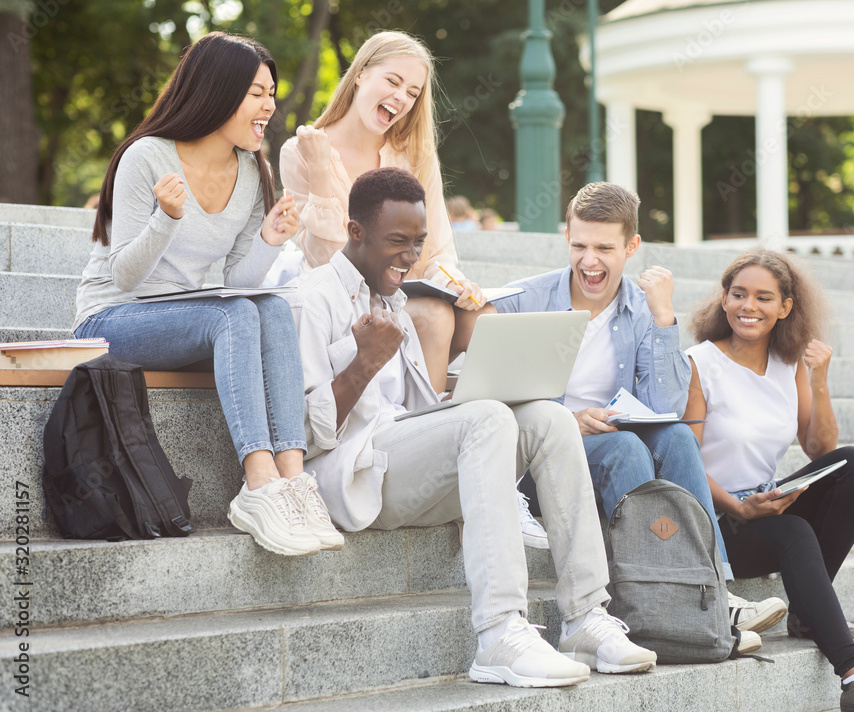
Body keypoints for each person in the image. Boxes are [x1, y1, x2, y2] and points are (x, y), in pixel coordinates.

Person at [285, 166, 657, 688]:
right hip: (352, 477)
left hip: (404, 459)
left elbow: (413, 410)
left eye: (418, 242)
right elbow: (298, 436)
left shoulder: (391, 299)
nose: (410, 257)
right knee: (485, 419)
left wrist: (463, 392)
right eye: (397, 241)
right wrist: (363, 364)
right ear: (355, 232)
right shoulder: (312, 299)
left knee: (548, 418)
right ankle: (500, 631)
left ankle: (584, 617)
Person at [74, 32, 342, 558]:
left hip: (190, 315)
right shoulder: (145, 157)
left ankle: (292, 477)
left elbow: (238, 282)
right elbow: (125, 276)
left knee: (269, 306)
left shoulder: (252, 171)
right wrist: (165, 220)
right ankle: (258, 484)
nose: (270, 106)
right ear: (217, 92)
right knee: (235, 316)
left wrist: (269, 239)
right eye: (257, 93)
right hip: (114, 318)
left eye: (272, 93)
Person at [491, 182, 786, 643]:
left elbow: (664, 408)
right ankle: (659, 596)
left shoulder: (642, 309)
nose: (590, 261)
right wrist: (567, 421)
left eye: (604, 248)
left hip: (613, 447)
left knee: (678, 437)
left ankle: (716, 589)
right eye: (579, 245)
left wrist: (665, 317)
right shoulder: (523, 300)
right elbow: (489, 393)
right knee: (626, 447)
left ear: (631, 247)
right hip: (540, 459)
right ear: (566, 236)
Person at [683, 249, 854, 712]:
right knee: (794, 530)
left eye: (763, 297)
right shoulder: (699, 362)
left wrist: (819, 377)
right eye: (739, 294)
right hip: (712, 517)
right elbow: (682, 462)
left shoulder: (788, 365)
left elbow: (821, 450)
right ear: (724, 300)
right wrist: (739, 507)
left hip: (763, 505)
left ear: (785, 307)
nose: (749, 306)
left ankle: (808, 612)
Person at [280, 30, 482, 393]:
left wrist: (455, 283)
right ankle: (428, 428)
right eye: (393, 81)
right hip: (347, 305)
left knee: (482, 315)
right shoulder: (301, 151)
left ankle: (488, 422)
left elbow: (436, 249)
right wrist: (322, 173)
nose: (401, 98)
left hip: (407, 290)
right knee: (434, 318)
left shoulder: (415, 153)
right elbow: (326, 261)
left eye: (412, 92)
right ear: (360, 74)